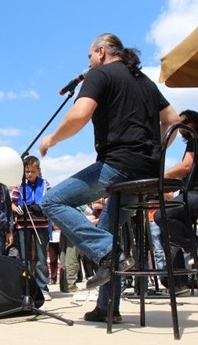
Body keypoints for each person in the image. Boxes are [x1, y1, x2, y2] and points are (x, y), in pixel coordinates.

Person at [39, 33, 180, 323]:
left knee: (52, 201)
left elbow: (80, 115)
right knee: (109, 229)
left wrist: (52, 139)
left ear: (101, 52)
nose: (88, 61)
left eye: (89, 55)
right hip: (148, 172)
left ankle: (108, 252)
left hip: (119, 167)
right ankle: (107, 308)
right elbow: (174, 120)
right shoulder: (144, 81)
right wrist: (157, 152)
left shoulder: (100, 73)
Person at [154, 109, 198, 292]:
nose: (180, 126)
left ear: (194, 122)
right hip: (193, 193)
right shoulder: (196, 140)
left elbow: (185, 167)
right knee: (167, 232)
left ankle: (195, 244)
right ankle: (178, 283)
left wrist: (158, 175)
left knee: (162, 215)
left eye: (183, 121)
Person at [11, 155, 52, 300]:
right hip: (24, 225)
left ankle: (43, 287)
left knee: (41, 257)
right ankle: (28, 286)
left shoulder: (45, 184)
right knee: (25, 257)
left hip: (41, 224)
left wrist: (40, 208)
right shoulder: (19, 185)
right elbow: (13, 202)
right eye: (27, 172)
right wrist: (16, 209)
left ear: (39, 170)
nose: (29, 175)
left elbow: (51, 202)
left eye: (32, 172)